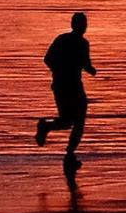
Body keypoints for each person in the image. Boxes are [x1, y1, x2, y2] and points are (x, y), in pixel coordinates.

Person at [35, 11, 97, 173]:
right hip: (67, 86)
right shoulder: (69, 41)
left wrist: (90, 70)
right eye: (82, 24)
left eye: (85, 24)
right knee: (75, 121)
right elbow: (48, 59)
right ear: (76, 25)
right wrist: (62, 70)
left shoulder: (76, 42)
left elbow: (86, 65)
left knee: (70, 121)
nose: (84, 27)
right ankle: (68, 152)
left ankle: (49, 131)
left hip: (67, 86)